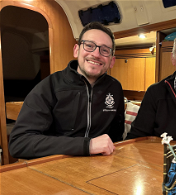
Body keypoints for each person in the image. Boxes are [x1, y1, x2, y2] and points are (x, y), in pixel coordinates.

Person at [9, 22, 125, 159]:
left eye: (105, 50)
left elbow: (116, 136)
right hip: (55, 168)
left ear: (112, 61)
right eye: (89, 46)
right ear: (76, 50)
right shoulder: (49, 86)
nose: (96, 54)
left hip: (100, 168)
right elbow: (19, 143)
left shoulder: (115, 88)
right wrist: (86, 145)